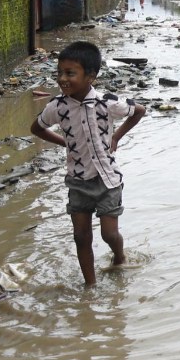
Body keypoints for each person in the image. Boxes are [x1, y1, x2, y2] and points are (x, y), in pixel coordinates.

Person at [30, 41, 146, 287]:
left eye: (70, 73)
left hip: (107, 180)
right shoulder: (57, 107)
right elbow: (36, 128)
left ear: (91, 76)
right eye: (59, 73)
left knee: (109, 234)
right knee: (81, 236)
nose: (62, 79)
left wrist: (116, 136)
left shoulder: (107, 102)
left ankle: (119, 256)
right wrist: (65, 143)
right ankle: (90, 287)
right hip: (78, 181)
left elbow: (139, 110)